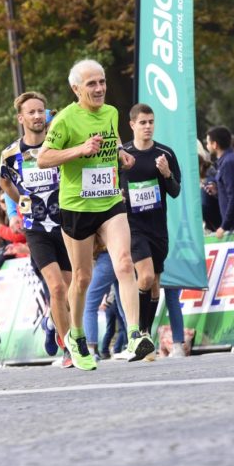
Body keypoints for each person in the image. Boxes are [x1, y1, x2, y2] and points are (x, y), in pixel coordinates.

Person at [37, 59, 155, 367]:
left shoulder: (112, 113)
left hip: (110, 201)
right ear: (76, 88)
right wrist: (79, 150)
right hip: (77, 206)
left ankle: (135, 334)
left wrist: (121, 155)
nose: (100, 88)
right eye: (92, 84)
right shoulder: (64, 120)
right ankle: (75, 337)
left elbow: (109, 145)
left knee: (125, 262)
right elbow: (43, 159)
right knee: (82, 277)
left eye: (101, 81)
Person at [0, 91, 72, 363]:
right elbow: (5, 182)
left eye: (41, 111)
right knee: (57, 288)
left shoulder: (59, 145)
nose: (38, 116)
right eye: (31, 112)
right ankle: (69, 349)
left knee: (70, 288)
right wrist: (20, 205)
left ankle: (53, 324)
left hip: (65, 223)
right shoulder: (10, 153)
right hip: (36, 227)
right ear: (21, 118)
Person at [120, 103, 185, 355]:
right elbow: (109, 185)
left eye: (151, 122)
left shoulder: (164, 153)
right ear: (132, 125)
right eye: (143, 122)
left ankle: (144, 337)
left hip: (158, 227)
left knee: (155, 282)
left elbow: (176, 191)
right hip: (132, 226)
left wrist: (167, 174)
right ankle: (138, 333)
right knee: (145, 276)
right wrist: (119, 196)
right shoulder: (122, 153)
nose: (147, 127)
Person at [206, 126, 234, 238]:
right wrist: (217, 192)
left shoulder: (230, 163)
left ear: (215, 145)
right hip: (233, 226)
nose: (207, 146)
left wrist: (224, 226)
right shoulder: (225, 162)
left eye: (208, 142)